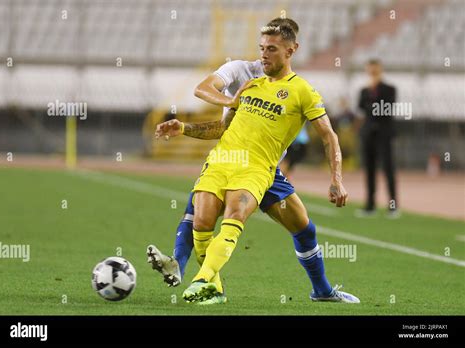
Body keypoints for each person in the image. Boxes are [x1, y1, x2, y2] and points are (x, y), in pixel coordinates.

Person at [152, 19, 359, 305]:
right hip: (226, 160)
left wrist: (336, 179)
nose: (264, 54)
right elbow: (219, 117)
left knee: (303, 227)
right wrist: (188, 127)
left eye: (271, 49)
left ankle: (322, 290)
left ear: (291, 50)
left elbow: (329, 135)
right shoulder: (246, 79)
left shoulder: (302, 91)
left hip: (263, 169)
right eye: (262, 48)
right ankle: (207, 283)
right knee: (201, 217)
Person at [357, 59, 399, 218]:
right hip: (368, 134)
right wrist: (371, 95)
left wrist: (373, 99)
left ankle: (393, 206)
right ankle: (370, 205)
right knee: (369, 170)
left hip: (384, 134)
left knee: (388, 169)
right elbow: (361, 107)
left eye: (374, 69)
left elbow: (386, 107)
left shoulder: (389, 89)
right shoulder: (364, 90)